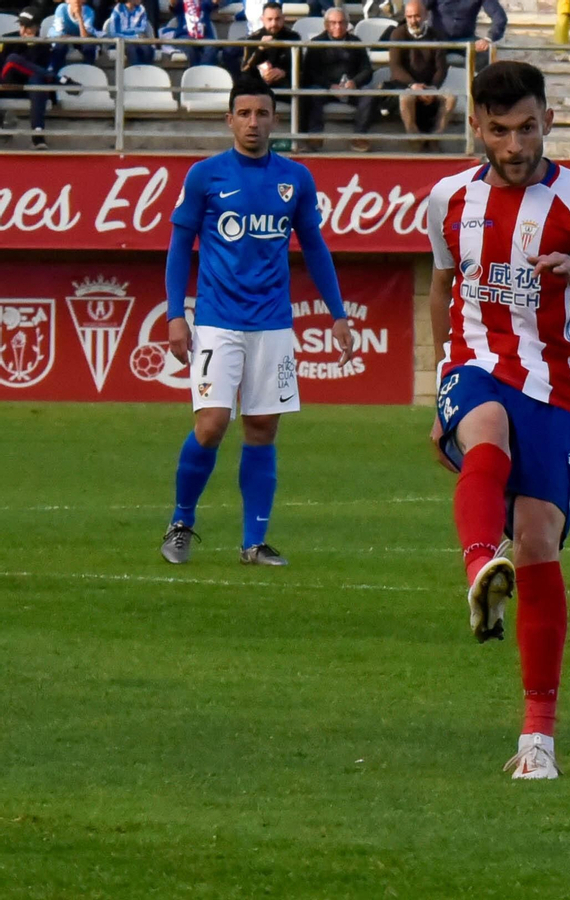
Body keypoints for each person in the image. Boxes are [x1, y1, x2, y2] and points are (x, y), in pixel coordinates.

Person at [425, 61, 570, 781]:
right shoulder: (447, 199)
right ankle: (478, 570)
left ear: (549, 119)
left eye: (527, 128)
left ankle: (538, 740)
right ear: (477, 129)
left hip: (556, 388)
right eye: (499, 131)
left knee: (541, 539)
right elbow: (442, 284)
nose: (515, 145)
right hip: (476, 363)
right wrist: (438, 388)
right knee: (483, 433)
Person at [159, 77, 353, 569]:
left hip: (271, 323)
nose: (252, 122)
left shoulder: (296, 179)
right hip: (218, 320)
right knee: (212, 424)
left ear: (274, 119)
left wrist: (338, 314)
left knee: (263, 426)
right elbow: (181, 245)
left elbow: (314, 246)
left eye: (261, 113)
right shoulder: (205, 176)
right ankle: (181, 522)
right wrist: (174, 315)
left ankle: (254, 543)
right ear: (229, 120)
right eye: (243, 113)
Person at [354, 0, 456, 152]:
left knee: (451, 98)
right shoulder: (398, 34)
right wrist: (413, 86)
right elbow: (395, 66)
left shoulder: (437, 36)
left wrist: (433, 88)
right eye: (409, 17)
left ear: (425, 15)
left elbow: (441, 68)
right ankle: (414, 140)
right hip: (405, 86)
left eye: (416, 16)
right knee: (406, 97)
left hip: (430, 86)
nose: (413, 20)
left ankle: (435, 138)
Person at [300, 8, 373, 143]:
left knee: (369, 94)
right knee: (312, 93)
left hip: (351, 88)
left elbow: (367, 70)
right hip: (325, 88)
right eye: (333, 23)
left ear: (347, 24)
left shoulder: (356, 42)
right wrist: (330, 86)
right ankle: (315, 136)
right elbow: (310, 73)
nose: (338, 26)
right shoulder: (316, 43)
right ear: (326, 25)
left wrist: (354, 82)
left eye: (341, 22)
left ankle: (360, 137)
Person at [1, 7, 69, 150]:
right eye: (21, 26)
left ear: (38, 27)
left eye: (28, 27)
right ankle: (60, 80)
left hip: (28, 88)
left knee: (37, 80)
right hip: (6, 84)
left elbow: (41, 71)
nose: (23, 31)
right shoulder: (7, 40)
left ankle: (37, 134)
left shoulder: (43, 46)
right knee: (13, 59)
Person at [424, 0, 505, 71]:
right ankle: (422, 86)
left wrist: (488, 39)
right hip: (438, 40)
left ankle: (479, 86)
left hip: (467, 40)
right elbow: (417, 8)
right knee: (421, 53)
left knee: (487, 56)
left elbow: (499, 17)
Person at [241, 2, 292, 86]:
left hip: (285, 84)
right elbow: (245, 70)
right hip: (258, 86)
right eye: (270, 19)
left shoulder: (293, 37)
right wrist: (260, 49)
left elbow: (301, 69)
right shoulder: (253, 39)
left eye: (277, 19)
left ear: (283, 18)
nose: (274, 24)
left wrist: (284, 72)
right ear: (262, 19)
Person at [99, 0, 151, 64]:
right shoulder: (117, 10)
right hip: (120, 42)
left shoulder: (141, 10)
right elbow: (113, 33)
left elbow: (142, 29)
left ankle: (146, 71)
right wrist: (134, 36)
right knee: (132, 49)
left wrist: (125, 32)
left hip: (137, 42)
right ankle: (135, 72)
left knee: (147, 49)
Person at [46, 0, 95, 68]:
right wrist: (73, 37)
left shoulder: (89, 11)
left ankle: (89, 68)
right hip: (63, 37)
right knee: (60, 45)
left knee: (89, 45)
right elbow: (60, 33)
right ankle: (54, 71)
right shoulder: (61, 8)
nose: (76, 1)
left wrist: (80, 17)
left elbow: (85, 37)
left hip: (79, 38)